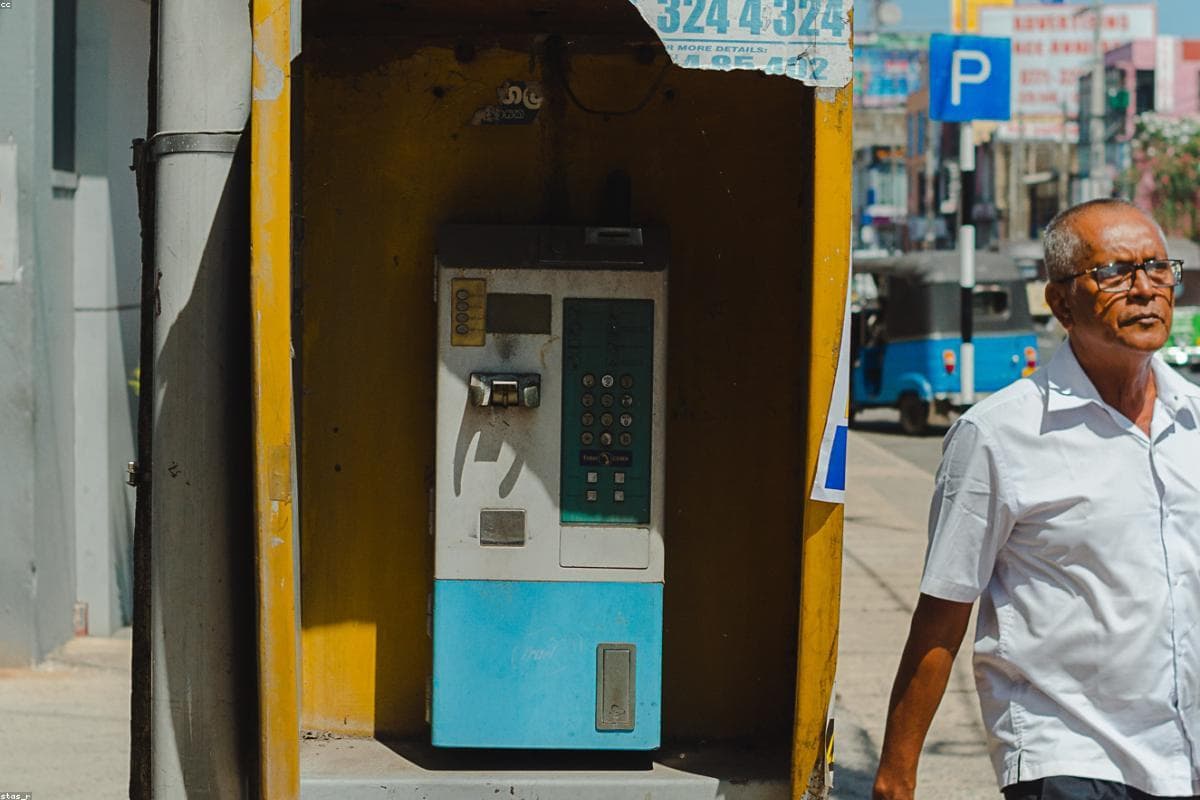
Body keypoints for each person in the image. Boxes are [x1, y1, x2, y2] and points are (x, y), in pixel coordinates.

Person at [872, 199, 1200, 800]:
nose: (1145, 289)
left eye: (1158, 269)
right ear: (1060, 303)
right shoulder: (1000, 434)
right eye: (1115, 272)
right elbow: (944, 608)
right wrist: (897, 771)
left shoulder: (1195, 421)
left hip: (1185, 753)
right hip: (1069, 751)